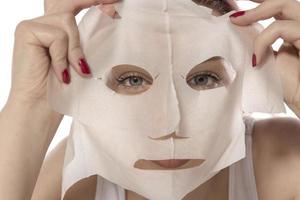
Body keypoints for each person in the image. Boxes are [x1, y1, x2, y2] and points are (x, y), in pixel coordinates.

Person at [0, 0, 300, 199]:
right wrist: (32, 102)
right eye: (132, 80)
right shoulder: (77, 179)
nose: (169, 125)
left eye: (203, 78)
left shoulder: (279, 155)